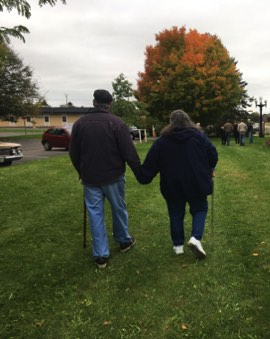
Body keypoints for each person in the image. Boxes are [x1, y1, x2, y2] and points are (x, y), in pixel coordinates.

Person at [69, 89, 140, 269]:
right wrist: (140, 171)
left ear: (94, 102)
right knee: (118, 209)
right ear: (110, 104)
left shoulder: (79, 124)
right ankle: (123, 241)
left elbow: (73, 152)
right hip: (113, 176)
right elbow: (128, 152)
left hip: (91, 177)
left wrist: (80, 170)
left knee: (95, 215)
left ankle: (101, 255)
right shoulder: (116, 123)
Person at [138, 109, 218, 259]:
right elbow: (212, 154)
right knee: (200, 209)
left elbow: (151, 162)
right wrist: (209, 168)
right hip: (196, 181)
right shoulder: (199, 136)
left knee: (175, 213)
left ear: (171, 122)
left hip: (172, 183)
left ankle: (178, 245)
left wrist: (142, 173)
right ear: (188, 120)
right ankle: (195, 238)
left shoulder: (162, 140)